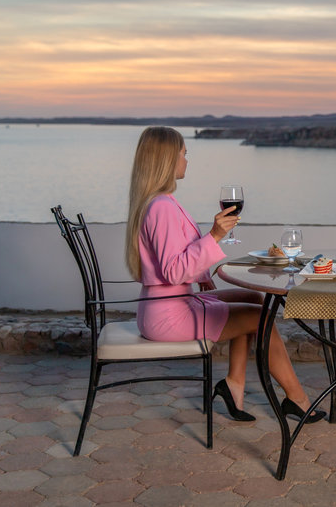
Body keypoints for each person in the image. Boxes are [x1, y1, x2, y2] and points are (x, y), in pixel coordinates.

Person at [125, 126, 324, 423]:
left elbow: (175, 259)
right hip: (168, 315)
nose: (186, 160)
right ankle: (297, 400)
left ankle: (233, 386)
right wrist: (215, 235)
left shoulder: (159, 202)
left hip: (165, 304)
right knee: (261, 317)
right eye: (183, 153)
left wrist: (202, 273)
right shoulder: (161, 207)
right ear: (167, 159)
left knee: (253, 298)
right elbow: (173, 270)